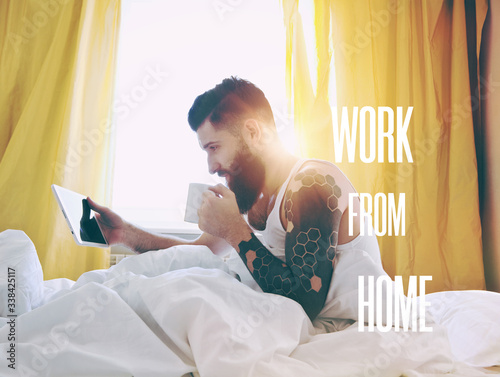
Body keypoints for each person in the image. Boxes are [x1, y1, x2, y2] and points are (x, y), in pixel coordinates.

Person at [87, 77, 385, 324]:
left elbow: (306, 302)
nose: (211, 166)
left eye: (214, 147)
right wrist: (125, 234)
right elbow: (200, 250)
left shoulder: (311, 185)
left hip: (345, 325)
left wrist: (233, 229)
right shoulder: (251, 193)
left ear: (253, 132)